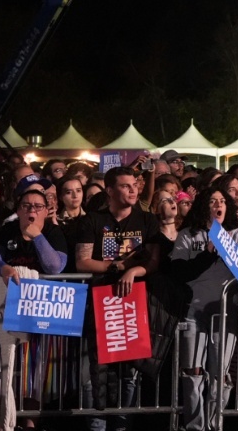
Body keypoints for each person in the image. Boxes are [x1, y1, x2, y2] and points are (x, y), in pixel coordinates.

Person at [75, 167, 161, 431]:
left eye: (134, 184)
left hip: (134, 303)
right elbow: (82, 262)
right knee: (97, 373)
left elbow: (154, 261)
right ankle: (97, 426)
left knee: (129, 373)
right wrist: (117, 268)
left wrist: (134, 270)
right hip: (100, 301)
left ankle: (122, 425)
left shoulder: (147, 220)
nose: (133, 189)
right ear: (110, 191)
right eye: (125, 186)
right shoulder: (91, 220)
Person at [170, 186, 238, 431]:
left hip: (225, 313)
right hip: (193, 312)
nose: (219, 205)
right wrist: (206, 254)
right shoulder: (187, 235)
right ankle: (194, 425)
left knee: (219, 373)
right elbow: (180, 272)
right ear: (203, 205)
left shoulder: (237, 235)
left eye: (223, 201)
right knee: (192, 371)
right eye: (213, 200)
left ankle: (216, 424)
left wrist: (225, 247)